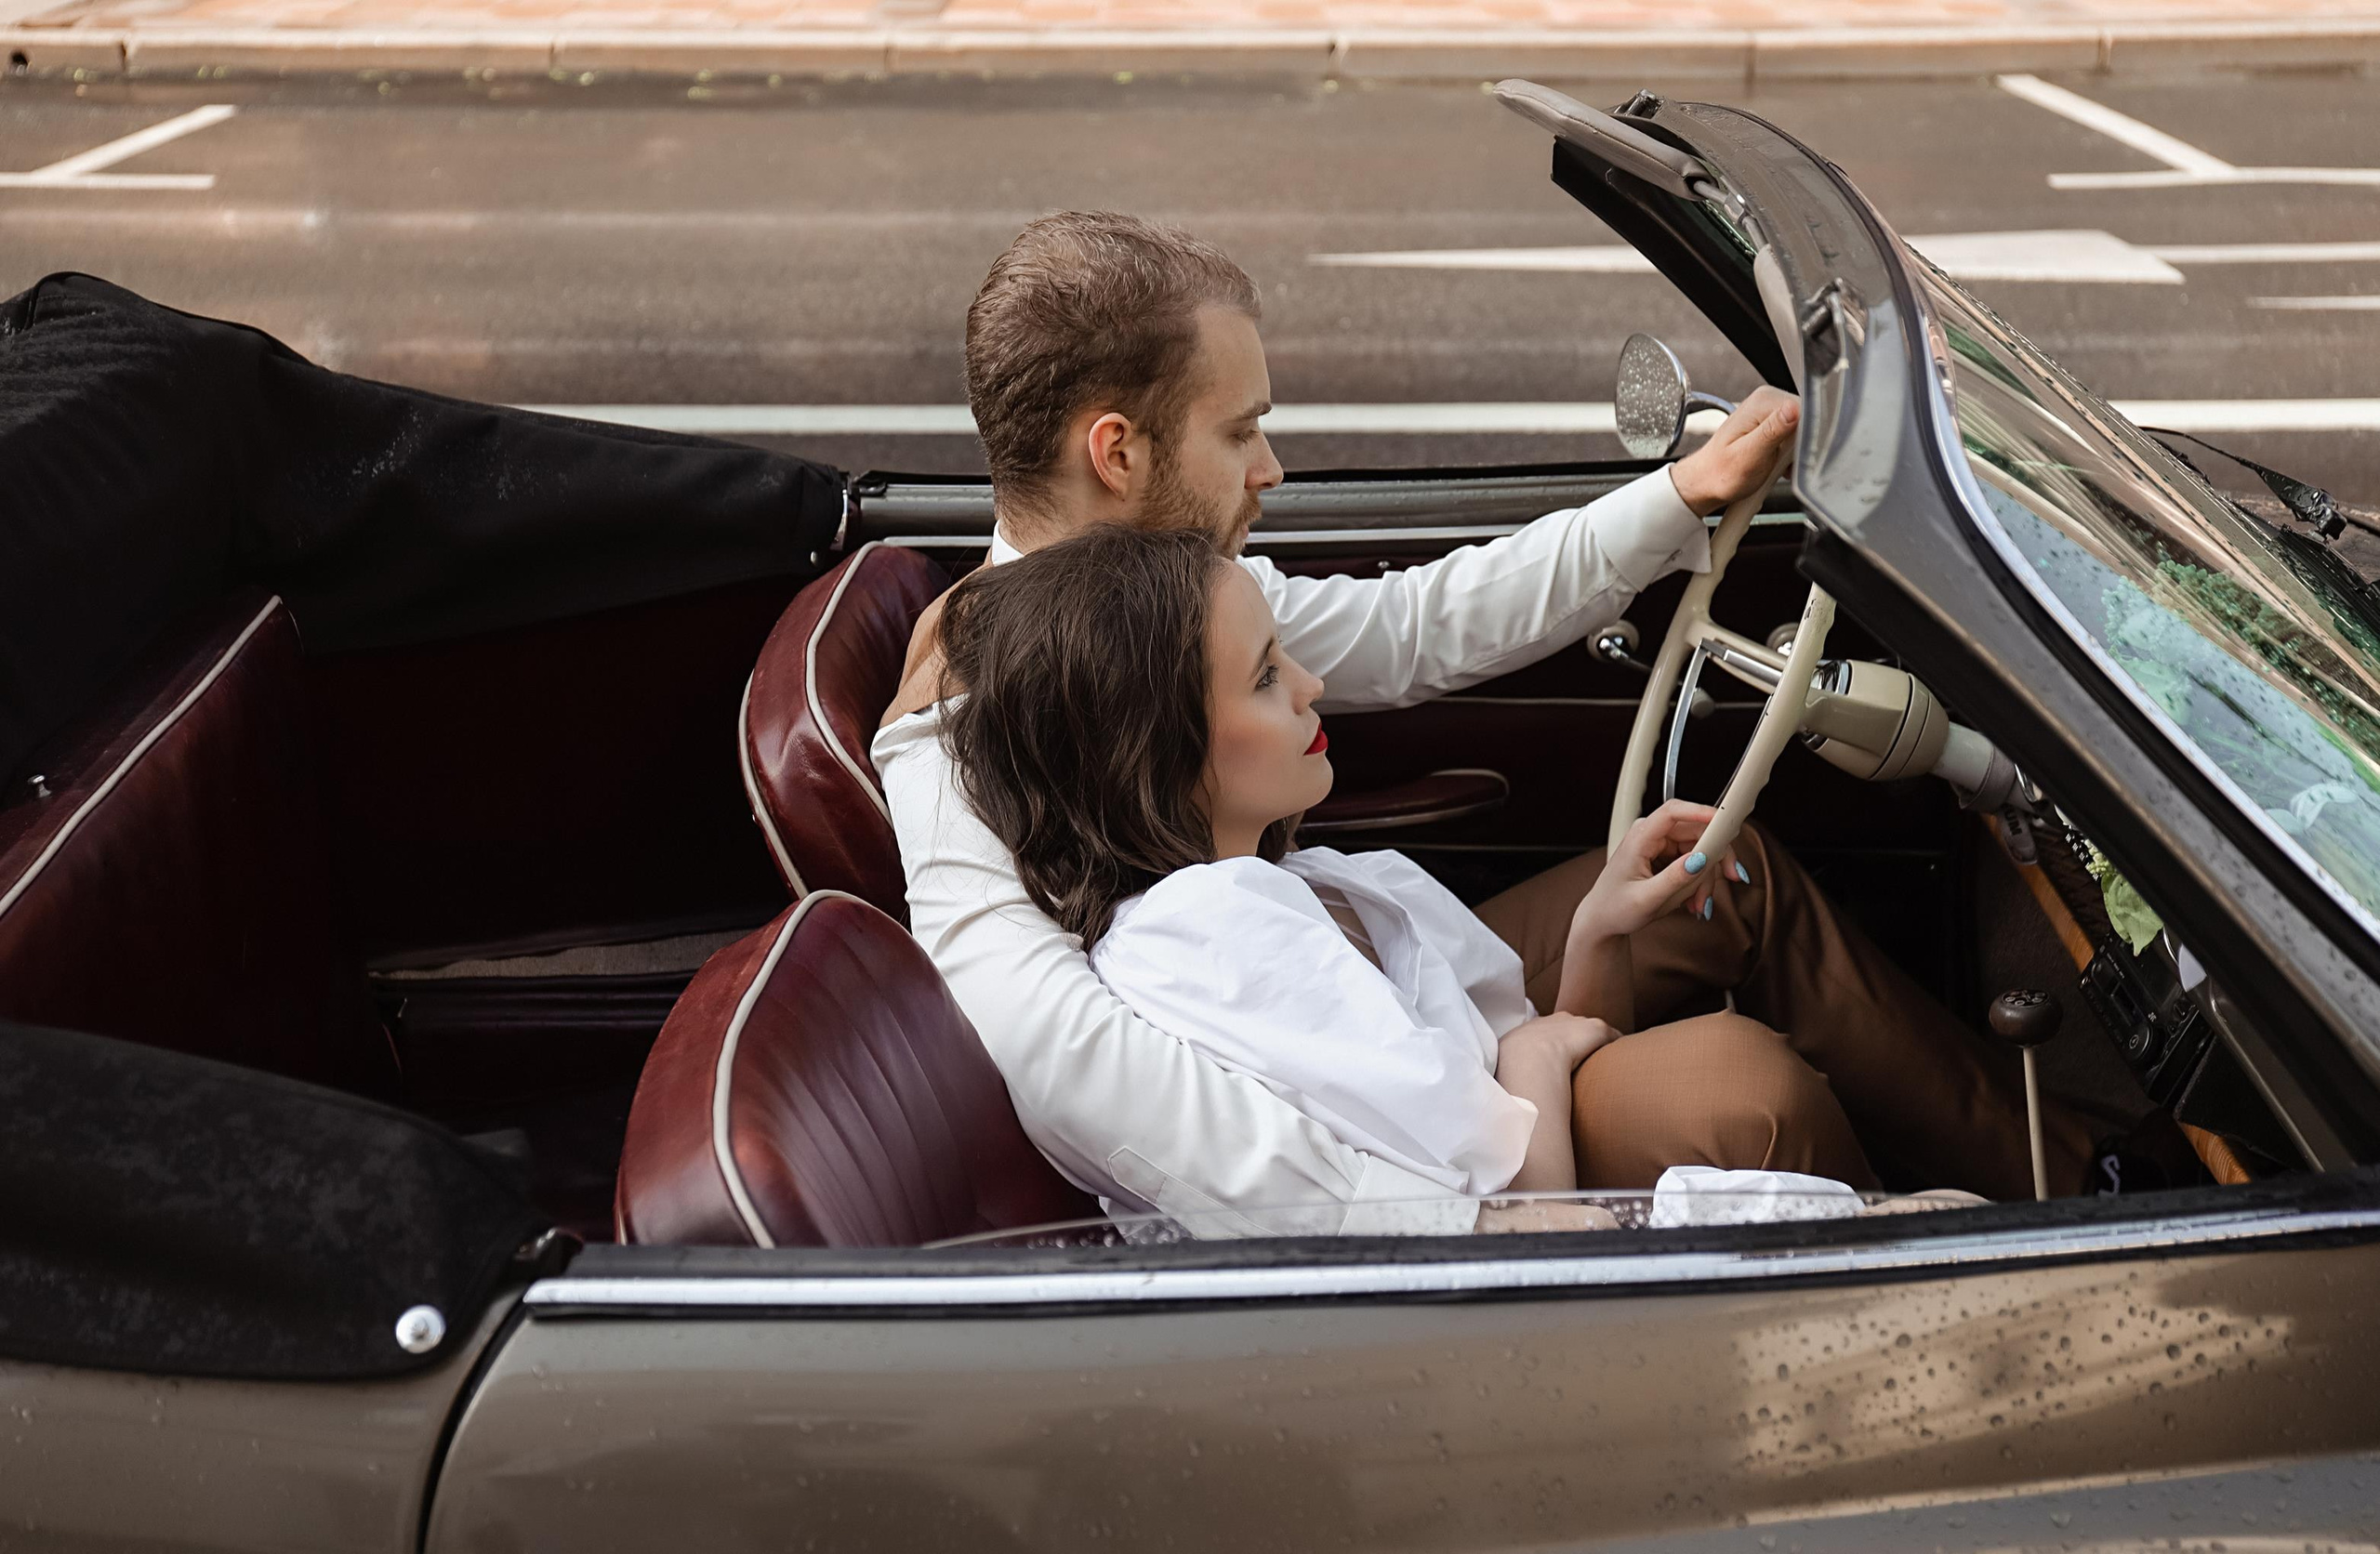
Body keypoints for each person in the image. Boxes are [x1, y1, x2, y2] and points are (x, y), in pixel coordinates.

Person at [872, 210, 2091, 1235]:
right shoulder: (966, 709)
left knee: (1728, 871)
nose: (1273, 466)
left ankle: (2073, 1184)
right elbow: (1067, 1059)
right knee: (1740, 1084)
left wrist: (1677, 497)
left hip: (1356, 994)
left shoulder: (1181, 596)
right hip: (1333, 1094)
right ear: (1118, 453)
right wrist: (1458, 1230)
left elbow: (1415, 627)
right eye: (1238, 430)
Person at [936, 523, 1884, 1228]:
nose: (1309, 685)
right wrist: (1536, 1058)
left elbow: (1535, 1063)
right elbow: (1519, 1210)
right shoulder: (1211, 937)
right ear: (1167, 757)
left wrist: (1595, 935)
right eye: (1267, 676)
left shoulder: (1311, 879)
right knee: (1760, 1097)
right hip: (1531, 1280)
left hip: (1562, 1220)